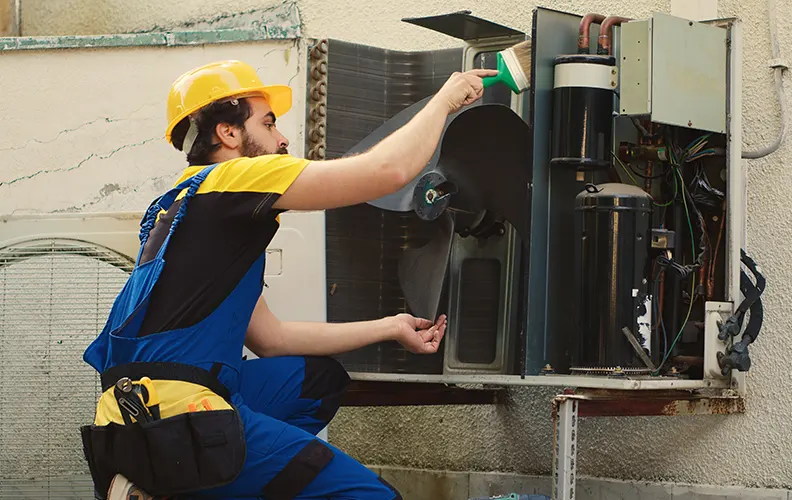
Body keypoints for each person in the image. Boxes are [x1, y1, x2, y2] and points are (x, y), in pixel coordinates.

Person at [79, 59, 498, 500]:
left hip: (127, 418)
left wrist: (390, 327)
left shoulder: (179, 207)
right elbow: (388, 171)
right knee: (375, 497)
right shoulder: (235, 178)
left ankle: (183, 485)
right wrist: (445, 100)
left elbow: (272, 339)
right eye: (268, 122)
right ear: (228, 133)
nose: (282, 139)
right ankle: (189, 480)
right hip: (183, 413)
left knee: (316, 381)